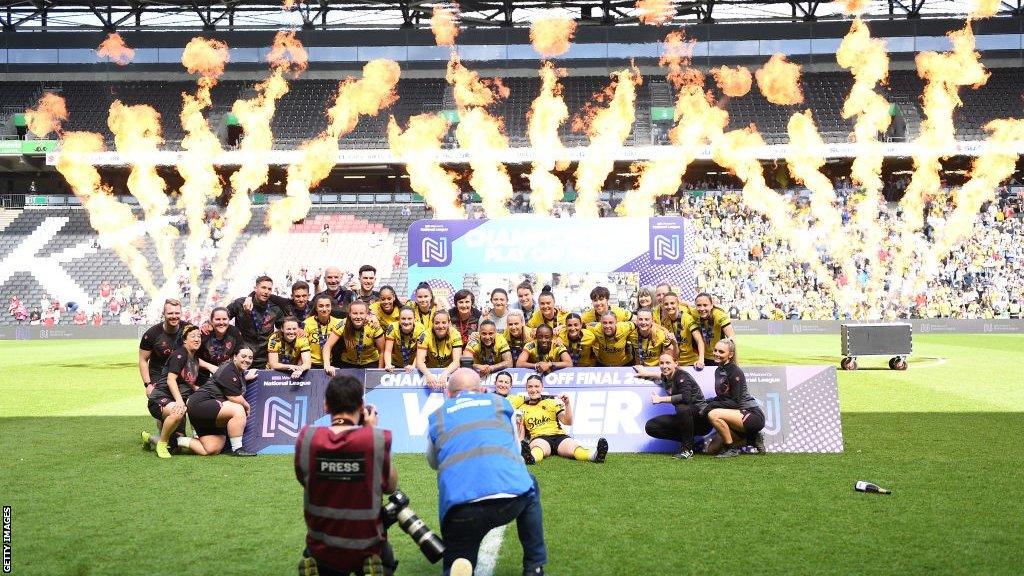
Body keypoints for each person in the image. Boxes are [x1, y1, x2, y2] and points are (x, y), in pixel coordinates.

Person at [426, 368, 548, 576]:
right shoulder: (502, 403)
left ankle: (459, 561)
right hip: (511, 497)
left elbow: (433, 462)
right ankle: (534, 566)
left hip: (461, 506)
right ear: (483, 390)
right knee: (531, 484)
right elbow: (517, 451)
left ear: (448, 394)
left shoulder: (436, 416)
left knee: (459, 558)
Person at [295, 375, 398, 575]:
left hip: (321, 545)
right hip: (368, 546)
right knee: (384, 559)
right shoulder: (374, 438)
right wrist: (370, 430)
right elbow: (391, 487)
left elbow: (304, 480)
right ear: (361, 406)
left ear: (326, 405)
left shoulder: (307, 438)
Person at [180, 345, 259, 457]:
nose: (247, 360)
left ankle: (176, 441)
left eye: (250, 358)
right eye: (243, 356)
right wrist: (247, 406)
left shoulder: (237, 371)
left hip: (211, 409)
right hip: (200, 404)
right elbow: (234, 397)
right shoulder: (228, 369)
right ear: (235, 357)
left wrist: (246, 378)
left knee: (211, 449)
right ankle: (237, 449)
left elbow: (228, 384)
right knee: (238, 408)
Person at [519, 374, 608, 465]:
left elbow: (568, 422)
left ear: (542, 387)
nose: (533, 390)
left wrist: (567, 404)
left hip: (559, 436)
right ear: (526, 388)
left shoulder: (552, 401)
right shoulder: (522, 408)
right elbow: (521, 431)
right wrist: (520, 446)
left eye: (536, 386)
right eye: (530, 387)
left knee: (573, 447)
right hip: (539, 437)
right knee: (538, 448)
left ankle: (595, 456)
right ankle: (529, 458)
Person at [142, 324, 201, 459]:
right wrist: (180, 401)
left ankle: (149, 438)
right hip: (159, 398)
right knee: (178, 410)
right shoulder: (179, 355)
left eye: (199, 336)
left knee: (174, 446)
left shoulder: (194, 358)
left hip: (171, 400)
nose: (197, 339)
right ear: (184, 340)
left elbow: (191, 376)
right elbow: (171, 380)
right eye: (193, 336)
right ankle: (161, 444)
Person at [635, 353, 710, 460]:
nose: (664, 366)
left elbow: (685, 398)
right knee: (651, 427)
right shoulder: (666, 376)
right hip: (685, 419)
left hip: (701, 420)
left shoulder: (682, 376)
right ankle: (688, 441)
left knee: (682, 407)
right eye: (661, 363)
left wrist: (660, 399)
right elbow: (660, 375)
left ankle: (687, 450)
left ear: (676, 363)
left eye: (668, 363)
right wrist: (645, 373)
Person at [702, 338, 765, 457]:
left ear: (730, 355)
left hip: (752, 415)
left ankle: (731, 449)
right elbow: (722, 398)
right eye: (715, 350)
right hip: (735, 418)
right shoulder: (718, 370)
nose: (716, 354)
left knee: (713, 414)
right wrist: (706, 402)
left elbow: (735, 402)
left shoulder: (735, 371)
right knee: (711, 450)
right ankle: (752, 439)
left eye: (721, 352)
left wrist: (710, 406)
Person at [226, 275, 289, 369]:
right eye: (263, 287)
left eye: (269, 289)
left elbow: (284, 328)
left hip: (264, 359)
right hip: (243, 356)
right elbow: (223, 316)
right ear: (255, 288)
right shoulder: (240, 304)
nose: (266, 291)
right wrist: (208, 323)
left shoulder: (275, 309)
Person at [139, 298, 192, 399]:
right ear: (163, 313)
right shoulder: (151, 334)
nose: (174, 316)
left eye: (177, 313)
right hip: (160, 379)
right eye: (170, 313)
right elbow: (143, 360)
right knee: (172, 410)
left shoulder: (189, 329)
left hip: (183, 379)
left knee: (184, 410)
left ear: (181, 313)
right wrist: (148, 384)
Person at [324, 301, 386, 371]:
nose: (358, 317)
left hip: (371, 362)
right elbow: (327, 346)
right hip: (348, 363)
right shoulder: (342, 324)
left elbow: (382, 351)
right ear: (349, 314)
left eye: (361, 313)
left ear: (367, 314)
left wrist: (379, 371)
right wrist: (327, 365)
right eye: (355, 313)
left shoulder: (374, 325)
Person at [196, 307, 245, 386]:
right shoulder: (203, 333)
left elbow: (239, 354)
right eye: (217, 319)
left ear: (229, 320)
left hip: (228, 375)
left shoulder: (235, 332)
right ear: (211, 321)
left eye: (224, 319)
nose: (221, 322)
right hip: (203, 377)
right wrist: (210, 367)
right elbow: (191, 357)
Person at [416, 310, 463, 390]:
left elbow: (457, 361)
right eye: (437, 323)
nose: (440, 326)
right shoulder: (425, 335)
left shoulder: (455, 334)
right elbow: (419, 362)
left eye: (444, 323)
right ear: (432, 324)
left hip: (449, 370)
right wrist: (427, 374)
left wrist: (445, 373)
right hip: (430, 371)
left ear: (449, 323)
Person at [658, 292, 705, 370]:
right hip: (675, 362)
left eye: (672, 303)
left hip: (691, 362)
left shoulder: (687, 318)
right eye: (666, 304)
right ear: (663, 305)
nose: (669, 306)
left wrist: (701, 360)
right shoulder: (665, 321)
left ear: (678, 303)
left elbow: (699, 340)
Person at [694, 293, 735, 366]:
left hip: (719, 357)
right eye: (699, 305)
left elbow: (731, 337)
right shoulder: (694, 312)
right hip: (703, 357)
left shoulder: (719, 314)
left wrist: (730, 358)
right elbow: (684, 304)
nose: (702, 308)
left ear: (711, 305)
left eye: (705, 305)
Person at [304, 295, 343, 370]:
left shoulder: (338, 323)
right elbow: (301, 346)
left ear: (331, 307)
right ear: (316, 308)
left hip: (331, 363)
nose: (324, 309)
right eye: (321, 306)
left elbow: (350, 320)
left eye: (327, 306)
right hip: (312, 364)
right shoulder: (307, 323)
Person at [383, 307, 427, 373]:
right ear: (399, 319)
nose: (406, 322)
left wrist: (413, 366)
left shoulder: (421, 329)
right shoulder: (392, 327)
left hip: (414, 365)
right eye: (403, 319)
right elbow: (388, 350)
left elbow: (420, 353)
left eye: (409, 319)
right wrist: (388, 364)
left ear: (414, 319)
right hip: (396, 365)